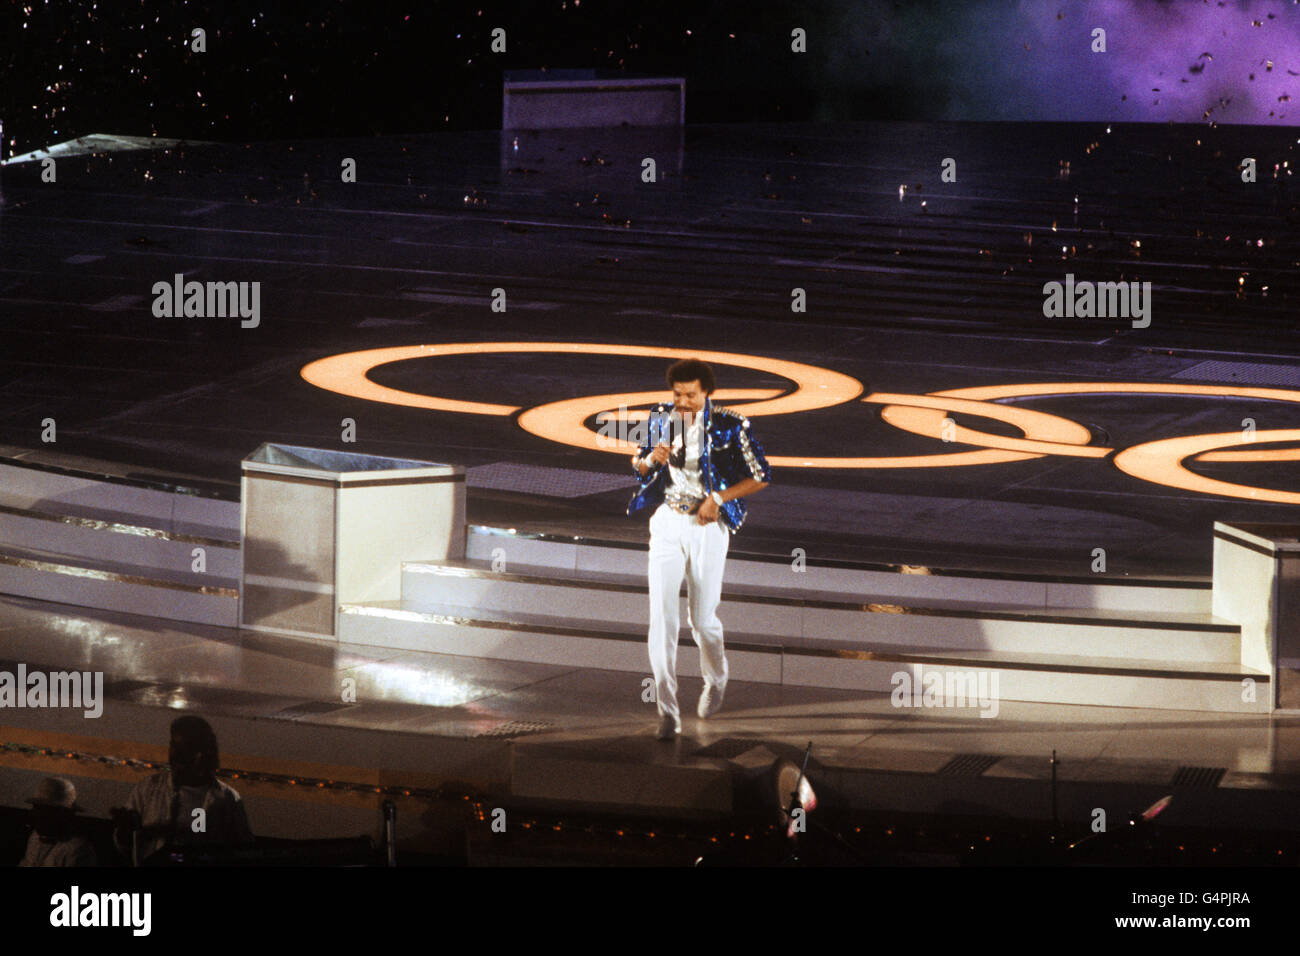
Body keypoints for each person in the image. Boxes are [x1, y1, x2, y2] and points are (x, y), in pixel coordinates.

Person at [628, 358, 771, 739]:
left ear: (707, 392)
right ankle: (668, 712)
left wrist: (719, 498)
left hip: (707, 526)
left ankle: (717, 679)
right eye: (678, 394)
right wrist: (647, 461)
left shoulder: (730, 424)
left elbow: (760, 475)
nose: (684, 401)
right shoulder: (661, 417)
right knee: (661, 618)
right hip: (667, 522)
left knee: (702, 620)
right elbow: (638, 465)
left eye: (691, 394)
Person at [112, 715, 253, 865]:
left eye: (185, 748)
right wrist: (125, 830)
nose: (175, 754)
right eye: (173, 746)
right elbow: (124, 846)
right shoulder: (148, 788)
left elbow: (244, 851)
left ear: (201, 753)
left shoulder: (226, 799)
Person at [18, 777, 97, 867]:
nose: (34, 814)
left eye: (42, 810)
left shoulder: (78, 850)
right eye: (36, 808)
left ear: (61, 814)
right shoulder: (35, 838)